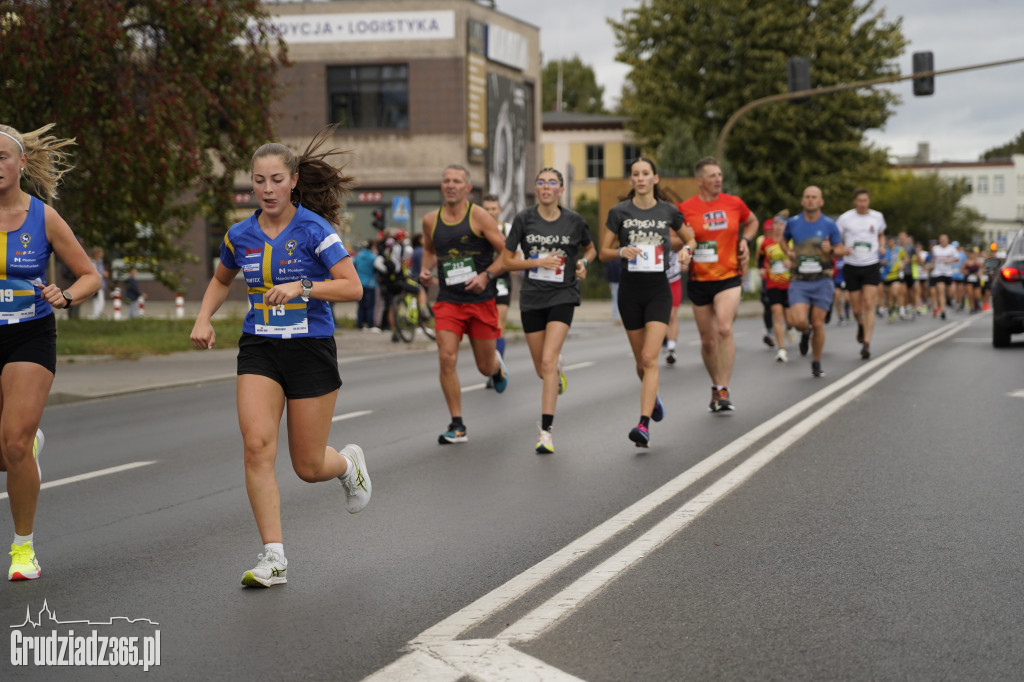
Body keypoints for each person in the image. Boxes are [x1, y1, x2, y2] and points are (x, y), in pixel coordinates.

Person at [189, 127, 371, 588]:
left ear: (292, 181)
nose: (267, 189)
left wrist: (303, 286)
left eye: (275, 180)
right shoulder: (240, 234)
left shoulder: (315, 229)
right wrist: (204, 317)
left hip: (310, 347)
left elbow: (353, 287)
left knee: (308, 467)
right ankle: (274, 557)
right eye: (258, 181)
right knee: (256, 446)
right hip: (260, 348)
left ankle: (347, 465)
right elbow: (220, 279)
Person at [0, 122, 101, 580]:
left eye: (3, 156)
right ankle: (26, 445)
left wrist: (68, 295)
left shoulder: (44, 218)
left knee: (15, 443)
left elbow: (89, 275)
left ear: (22, 163)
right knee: (7, 450)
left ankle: (23, 549)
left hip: (29, 335)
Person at [501, 168, 595, 454]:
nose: (546, 187)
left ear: (560, 189)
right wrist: (537, 263)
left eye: (552, 182)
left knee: (548, 361)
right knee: (542, 368)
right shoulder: (524, 219)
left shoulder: (574, 221)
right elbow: (507, 261)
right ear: (536, 188)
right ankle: (556, 372)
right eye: (540, 182)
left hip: (563, 295)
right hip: (532, 298)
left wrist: (584, 264)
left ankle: (546, 432)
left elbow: (590, 249)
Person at [601, 157, 692, 446]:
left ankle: (642, 426)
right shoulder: (619, 212)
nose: (640, 178)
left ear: (655, 179)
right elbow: (603, 251)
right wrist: (621, 252)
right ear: (631, 180)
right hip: (630, 291)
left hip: (657, 290)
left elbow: (691, 237)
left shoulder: (668, 211)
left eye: (645, 174)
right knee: (641, 362)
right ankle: (652, 398)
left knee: (650, 358)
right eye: (635, 174)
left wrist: (687, 250)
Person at [418, 164, 509, 444]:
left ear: (467, 188)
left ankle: (496, 368)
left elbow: (507, 253)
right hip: (449, 300)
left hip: (481, 300)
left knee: (484, 367)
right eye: (446, 180)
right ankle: (457, 424)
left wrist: (486, 275)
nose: (450, 185)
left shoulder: (480, 217)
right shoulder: (431, 220)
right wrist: (425, 271)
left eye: (457, 181)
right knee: (447, 358)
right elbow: (430, 251)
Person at [677, 156, 758, 412]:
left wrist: (745, 240)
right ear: (699, 181)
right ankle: (715, 385)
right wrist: (684, 246)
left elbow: (752, 221)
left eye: (719, 175)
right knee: (708, 341)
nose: (718, 180)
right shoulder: (685, 208)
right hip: (700, 280)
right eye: (712, 176)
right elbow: (671, 237)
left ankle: (724, 388)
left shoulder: (733, 203)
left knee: (724, 328)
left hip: (728, 277)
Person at [783, 186, 846, 378]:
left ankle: (816, 362)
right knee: (798, 321)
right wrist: (788, 252)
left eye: (814, 197)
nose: (810, 200)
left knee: (818, 323)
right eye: (807, 197)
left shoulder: (829, 224)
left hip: (822, 280)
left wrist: (831, 250)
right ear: (802, 201)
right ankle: (804, 332)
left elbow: (841, 249)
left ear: (821, 202)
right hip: (799, 280)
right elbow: (783, 241)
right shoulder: (793, 222)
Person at [836, 188, 885, 360]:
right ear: (854, 201)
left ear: (869, 201)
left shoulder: (877, 216)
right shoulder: (845, 218)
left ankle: (866, 343)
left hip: (871, 264)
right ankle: (860, 324)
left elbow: (880, 234)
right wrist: (843, 249)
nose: (863, 204)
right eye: (860, 201)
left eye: (865, 200)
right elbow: (836, 241)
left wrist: (881, 246)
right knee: (857, 309)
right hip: (852, 265)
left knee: (869, 303)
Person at [482, 193, 514, 388]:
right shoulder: (476, 229)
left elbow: (516, 254)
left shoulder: (507, 229)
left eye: (494, 209)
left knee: (499, 324)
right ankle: (489, 363)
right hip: (482, 281)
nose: (491, 212)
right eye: (487, 209)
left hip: (501, 280)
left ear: (499, 210)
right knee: (486, 327)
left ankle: (496, 369)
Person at [758, 211, 791, 363]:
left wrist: (792, 264)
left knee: (791, 320)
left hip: (791, 285)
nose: (778, 227)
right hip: (773, 284)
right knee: (777, 315)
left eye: (781, 224)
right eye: (776, 224)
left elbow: (800, 259)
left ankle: (796, 329)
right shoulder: (766, 243)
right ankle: (781, 349)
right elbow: (760, 258)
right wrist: (761, 268)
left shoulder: (791, 242)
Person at [929, 234, 958, 320]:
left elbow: (957, 259)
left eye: (944, 240)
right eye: (941, 240)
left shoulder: (952, 248)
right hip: (938, 273)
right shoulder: (935, 248)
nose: (943, 241)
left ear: (947, 240)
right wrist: (929, 266)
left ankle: (949, 300)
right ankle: (943, 311)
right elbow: (934, 260)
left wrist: (950, 261)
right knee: (940, 290)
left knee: (949, 293)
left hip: (948, 273)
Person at [352, 239, 379, 331]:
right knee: (370, 305)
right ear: (372, 246)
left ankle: (360, 325)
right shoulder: (373, 257)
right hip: (370, 283)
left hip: (359, 283)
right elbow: (378, 268)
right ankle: (370, 325)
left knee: (361, 305)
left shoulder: (358, 255)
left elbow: (353, 266)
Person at [87, 246, 108, 319]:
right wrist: (102, 273)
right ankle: (96, 314)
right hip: (96, 283)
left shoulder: (100, 261)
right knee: (98, 299)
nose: (102, 254)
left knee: (100, 300)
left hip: (101, 283)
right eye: (100, 253)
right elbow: (95, 272)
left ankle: (97, 314)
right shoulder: (93, 262)